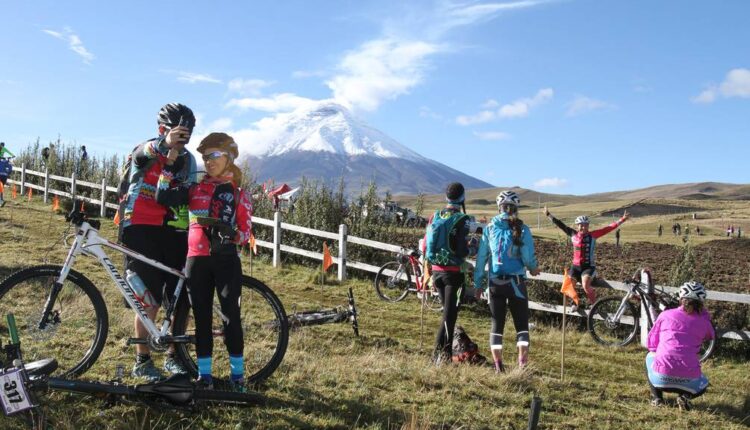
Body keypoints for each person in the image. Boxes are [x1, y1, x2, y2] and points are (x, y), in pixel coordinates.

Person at [156, 132, 252, 390]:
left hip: (226, 260)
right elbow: (162, 196)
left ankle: (237, 378)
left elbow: (246, 232)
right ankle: (204, 377)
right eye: (205, 157)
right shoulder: (194, 189)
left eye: (214, 156)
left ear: (229, 157)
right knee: (202, 319)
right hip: (196, 260)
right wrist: (169, 162)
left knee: (231, 317)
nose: (208, 161)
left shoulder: (239, 194)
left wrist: (234, 235)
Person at [120, 103, 197, 381]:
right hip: (140, 227)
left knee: (179, 300)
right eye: (175, 131)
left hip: (175, 230)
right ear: (162, 128)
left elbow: (188, 193)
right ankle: (142, 360)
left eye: (186, 133)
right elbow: (142, 156)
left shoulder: (188, 160)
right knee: (147, 298)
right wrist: (164, 145)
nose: (181, 137)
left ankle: (174, 357)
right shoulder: (146, 149)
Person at [473, 191, 540, 372]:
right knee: (522, 326)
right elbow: (527, 256)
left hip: (495, 283)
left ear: (499, 208)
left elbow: (481, 259)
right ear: (515, 209)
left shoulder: (489, 228)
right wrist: (534, 268)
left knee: (497, 325)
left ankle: (498, 366)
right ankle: (522, 366)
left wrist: (478, 284)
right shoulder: (523, 229)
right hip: (516, 283)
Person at [423, 182, 476, 364]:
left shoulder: (434, 216)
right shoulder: (463, 219)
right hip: (454, 274)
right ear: (462, 197)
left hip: (437, 272)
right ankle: (437, 357)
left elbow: (425, 244)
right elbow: (462, 251)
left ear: (446, 197)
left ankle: (444, 357)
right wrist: (471, 248)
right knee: (449, 316)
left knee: (448, 315)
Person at [544, 207, 630, 308]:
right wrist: (549, 215)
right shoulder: (572, 234)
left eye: (585, 225)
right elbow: (560, 225)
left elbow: (608, 228)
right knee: (569, 286)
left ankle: (595, 305)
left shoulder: (593, 235)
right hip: (575, 267)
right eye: (581, 225)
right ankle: (575, 303)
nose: (583, 227)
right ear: (577, 226)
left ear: (588, 226)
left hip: (588, 267)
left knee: (585, 285)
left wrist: (622, 219)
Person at [646, 281, 714, 411]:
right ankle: (685, 396)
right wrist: (704, 315)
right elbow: (710, 335)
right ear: (701, 302)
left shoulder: (665, 315)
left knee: (649, 356)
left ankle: (658, 399)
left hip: (661, 380)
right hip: (690, 382)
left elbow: (651, 345)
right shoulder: (704, 322)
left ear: (681, 299)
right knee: (704, 381)